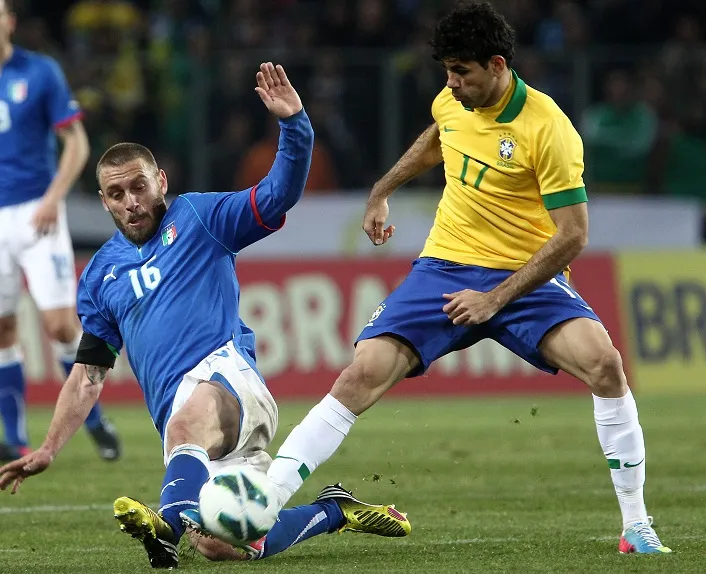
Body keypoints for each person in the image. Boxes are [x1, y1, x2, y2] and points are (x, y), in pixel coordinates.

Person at [263, 1, 671, 556]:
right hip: (446, 265)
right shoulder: (453, 101)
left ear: (498, 65)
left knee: (605, 364)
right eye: (447, 71)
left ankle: (637, 526)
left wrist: (495, 298)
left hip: (523, 275)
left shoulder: (548, 129)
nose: (451, 84)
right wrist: (383, 189)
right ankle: (263, 502)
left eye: (462, 72)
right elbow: (440, 137)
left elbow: (573, 235)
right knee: (362, 373)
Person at [0, 62, 411, 569]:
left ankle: (166, 526)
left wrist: (294, 124)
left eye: (139, 187)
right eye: (116, 194)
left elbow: (279, 193)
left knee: (185, 427)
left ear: (161, 180)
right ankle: (334, 510)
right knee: (225, 542)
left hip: (228, 382)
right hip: (185, 426)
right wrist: (49, 448)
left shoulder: (199, 217)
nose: (132, 203)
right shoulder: (100, 275)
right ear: (104, 202)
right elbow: (87, 374)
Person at [0, 0, 120, 462]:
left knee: (58, 325)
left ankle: (93, 418)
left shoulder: (41, 72)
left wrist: (53, 198)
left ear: (9, 22)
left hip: (38, 211)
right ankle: (13, 437)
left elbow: (77, 142)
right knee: (3, 327)